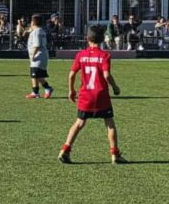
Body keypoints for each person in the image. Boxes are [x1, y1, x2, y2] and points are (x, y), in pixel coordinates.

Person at [58, 25, 123, 165]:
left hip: (85, 96)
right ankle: (115, 154)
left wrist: (71, 90)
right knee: (109, 123)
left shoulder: (80, 55)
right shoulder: (104, 55)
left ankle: (65, 150)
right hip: (101, 96)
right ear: (102, 39)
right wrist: (115, 87)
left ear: (87, 38)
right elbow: (106, 75)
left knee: (79, 123)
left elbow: (71, 75)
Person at [25, 14, 54, 99]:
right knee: (37, 75)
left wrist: (32, 55)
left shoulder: (36, 31)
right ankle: (37, 92)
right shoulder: (40, 30)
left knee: (35, 74)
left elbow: (37, 45)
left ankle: (45, 89)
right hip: (42, 55)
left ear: (33, 22)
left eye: (31, 21)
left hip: (38, 56)